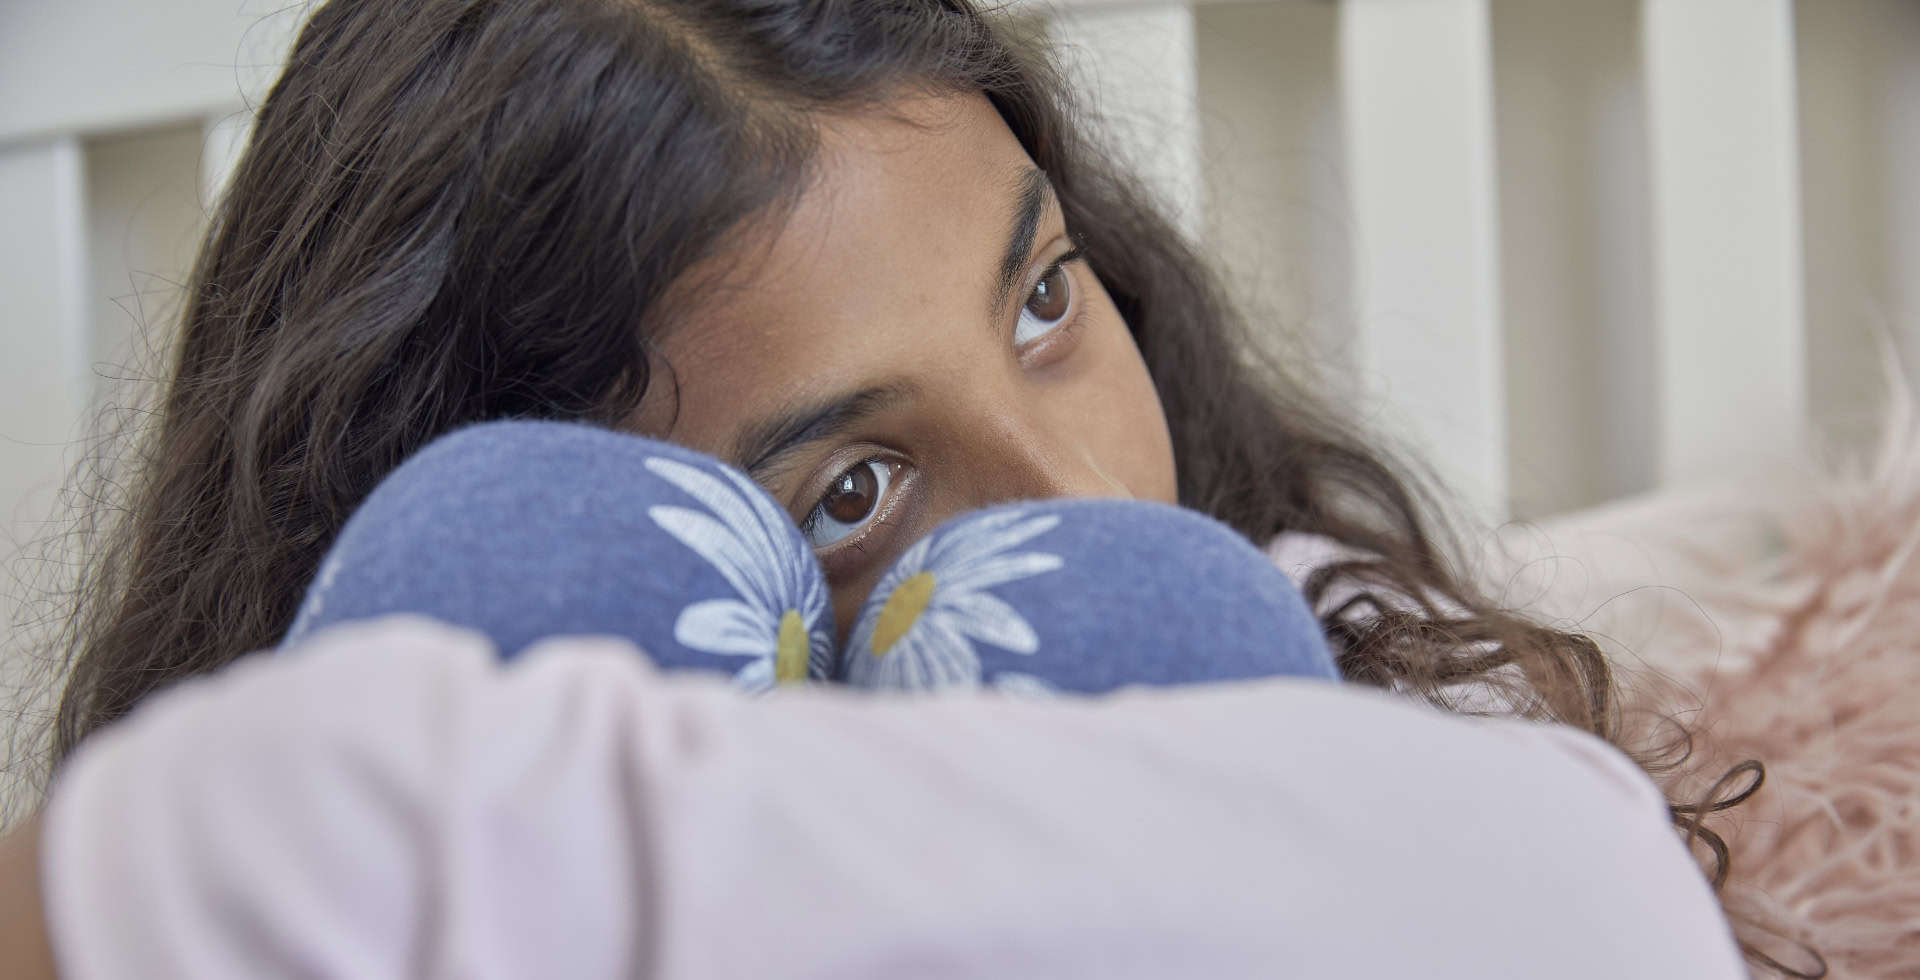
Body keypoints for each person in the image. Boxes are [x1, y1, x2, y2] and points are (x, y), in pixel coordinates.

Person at [0, 0, 1798, 973]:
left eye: (1041, 301)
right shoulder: (491, 800)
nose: (1099, 495)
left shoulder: (1367, 689)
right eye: (853, 487)